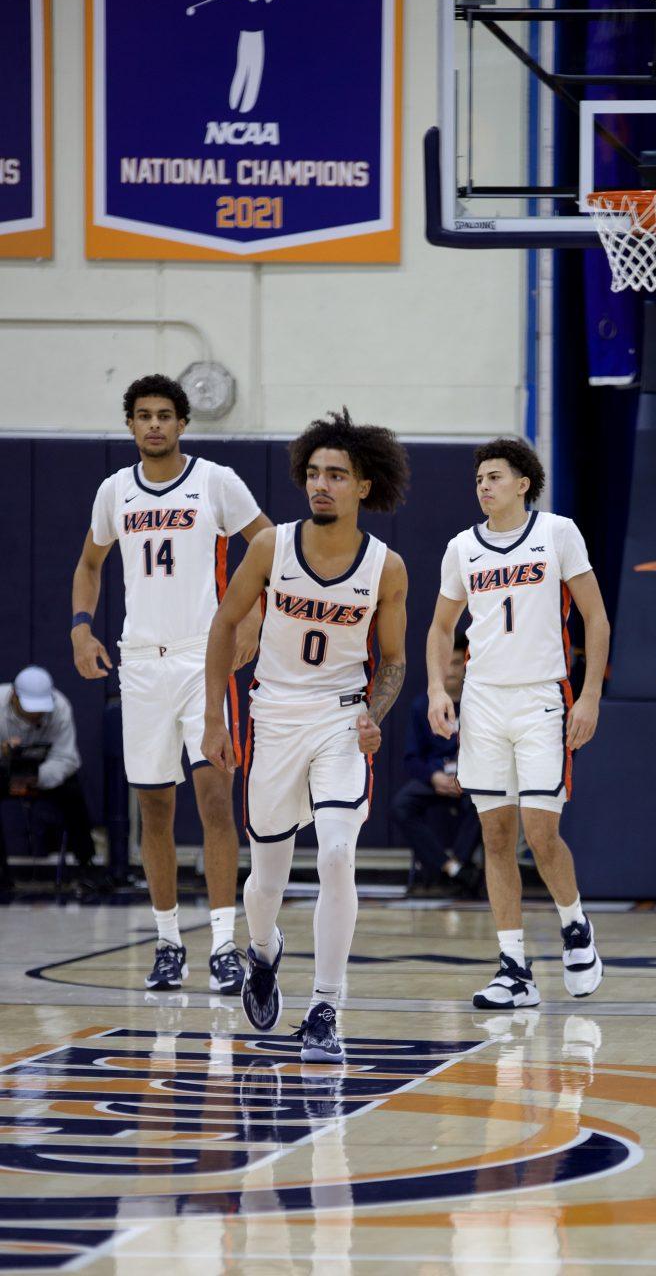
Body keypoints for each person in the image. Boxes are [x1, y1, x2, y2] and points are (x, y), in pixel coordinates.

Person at [202, 409, 409, 1064]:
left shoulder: (387, 567)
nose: (321, 485)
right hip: (273, 715)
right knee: (266, 874)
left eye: (336, 475)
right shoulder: (270, 548)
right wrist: (215, 717)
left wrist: (376, 711)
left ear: (363, 487)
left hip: (341, 717)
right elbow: (222, 627)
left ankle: (326, 1002)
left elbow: (396, 659)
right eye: (315, 473)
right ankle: (263, 954)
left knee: (337, 856)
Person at [71, 374, 271, 993]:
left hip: (200, 659)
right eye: (143, 415)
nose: (154, 424)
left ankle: (220, 944)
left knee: (215, 801)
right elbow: (88, 563)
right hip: (140, 663)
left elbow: (267, 544)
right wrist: (81, 627)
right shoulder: (113, 491)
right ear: (130, 424)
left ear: (183, 423)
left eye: (164, 414)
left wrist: (254, 614)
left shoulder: (216, 481)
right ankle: (166, 943)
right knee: (153, 808)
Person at [425, 438, 611, 1010]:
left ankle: (576, 928)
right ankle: (513, 968)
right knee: (496, 836)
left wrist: (590, 697)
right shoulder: (461, 547)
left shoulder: (558, 533)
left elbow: (595, 618)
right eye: (479, 477)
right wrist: (437, 688)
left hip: (541, 698)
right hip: (483, 701)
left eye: (495, 476)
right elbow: (439, 629)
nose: (484, 485)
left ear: (523, 483)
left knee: (540, 831)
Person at [392, 631, 482, 896]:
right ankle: (452, 869)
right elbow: (411, 759)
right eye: (447, 663)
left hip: (470, 779)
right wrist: (434, 777)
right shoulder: (423, 706)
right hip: (437, 778)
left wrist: (466, 775)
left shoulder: (479, 703)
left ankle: (458, 867)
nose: (451, 670)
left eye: (457, 663)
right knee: (401, 806)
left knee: (486, 802)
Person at [0, 666, 99, 896]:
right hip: (3, 772)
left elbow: (66, 758)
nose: (36, 715)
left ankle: (87, 866)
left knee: (74, 794)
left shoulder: (60, 707)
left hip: (43, 773)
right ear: (14, 695)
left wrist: (37, 778)